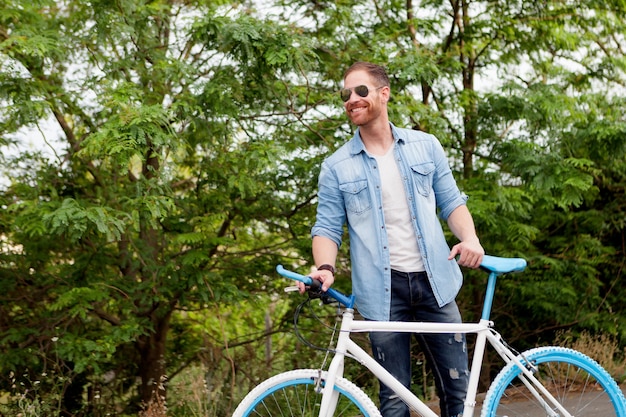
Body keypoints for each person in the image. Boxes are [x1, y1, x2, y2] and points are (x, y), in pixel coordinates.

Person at [304, 61, 485, 417]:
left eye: (360, 91)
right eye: (346, 94)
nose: (351, 99)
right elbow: (326, 227)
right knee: (394, 401)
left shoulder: (425, 146)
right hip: (382, 293)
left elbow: (452, 202)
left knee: (458, 392)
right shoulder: (336, 166)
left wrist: (471, 239)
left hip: (436, 283)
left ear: (383, 93)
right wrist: (324, 267)